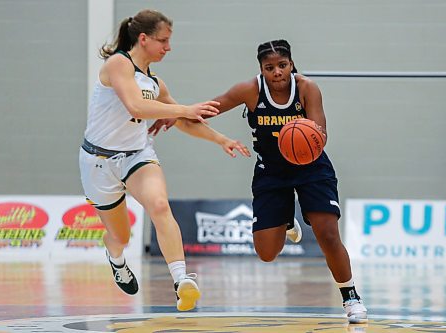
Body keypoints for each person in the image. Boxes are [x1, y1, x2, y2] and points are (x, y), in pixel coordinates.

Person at [150, 39, 368, 323]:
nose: (277, 72)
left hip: (311, 168)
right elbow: (208, 109)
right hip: (271, 172)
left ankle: (350, 297)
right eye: (270, 67)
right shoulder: (249, 90)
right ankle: (287, 220)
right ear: (261, 70)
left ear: (291, 64)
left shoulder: (307, 89)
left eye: (282, 65)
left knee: (327, 233)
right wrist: (177, 114)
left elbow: (320, 133)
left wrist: (300, 134)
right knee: (267, 253)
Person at [79, 9, 250, 312]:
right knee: (120, 236)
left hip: (137, 156)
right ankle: (116, 258)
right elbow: (136, 105)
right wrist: (183, 109)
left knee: (159, 205)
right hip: (98, 160)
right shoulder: (118, 63)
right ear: (143, 39)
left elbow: (185, 120)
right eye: (163, 41)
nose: (168, 48)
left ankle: (182, 281)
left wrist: (220, 139)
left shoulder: (156, 81)